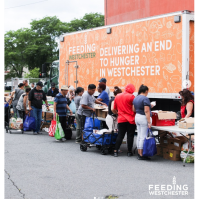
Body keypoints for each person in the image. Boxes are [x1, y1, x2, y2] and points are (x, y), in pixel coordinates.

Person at [112, 84, 136, 157]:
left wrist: (119, 113)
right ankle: (129, 152)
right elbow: (133, 109)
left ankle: (115, 151)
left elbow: (113, 109)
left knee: (120, 135)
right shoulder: (132, 97)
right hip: (131, 119)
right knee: (130, 136)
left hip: (121, 119)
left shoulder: (118, 96)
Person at [133, 84, 154, 160]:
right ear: (146, 91)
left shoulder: (136, 98)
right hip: (143, 118)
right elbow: (146, 111)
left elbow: (133, 109)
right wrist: (149, 122)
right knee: (143, 137)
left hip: (137, 116)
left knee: (139, 136)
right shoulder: (145, 99)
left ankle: (139, 153)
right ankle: (142, 154)